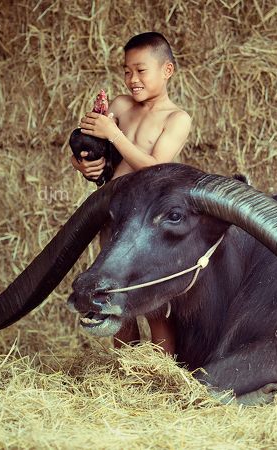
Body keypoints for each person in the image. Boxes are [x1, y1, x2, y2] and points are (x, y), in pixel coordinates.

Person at [73, 32, 192, 355]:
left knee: (152, 302)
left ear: (167, 70)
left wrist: (114, 133)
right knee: (113, 295)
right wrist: (87, 164)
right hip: (113, 214)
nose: (132, 79)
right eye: (126, 71)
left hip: (148, 224)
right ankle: (127, 374)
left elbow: (155, 167)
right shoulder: (121, 106)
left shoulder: (177, 119)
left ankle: (162, 371)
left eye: (141, 70)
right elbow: (92, 149)